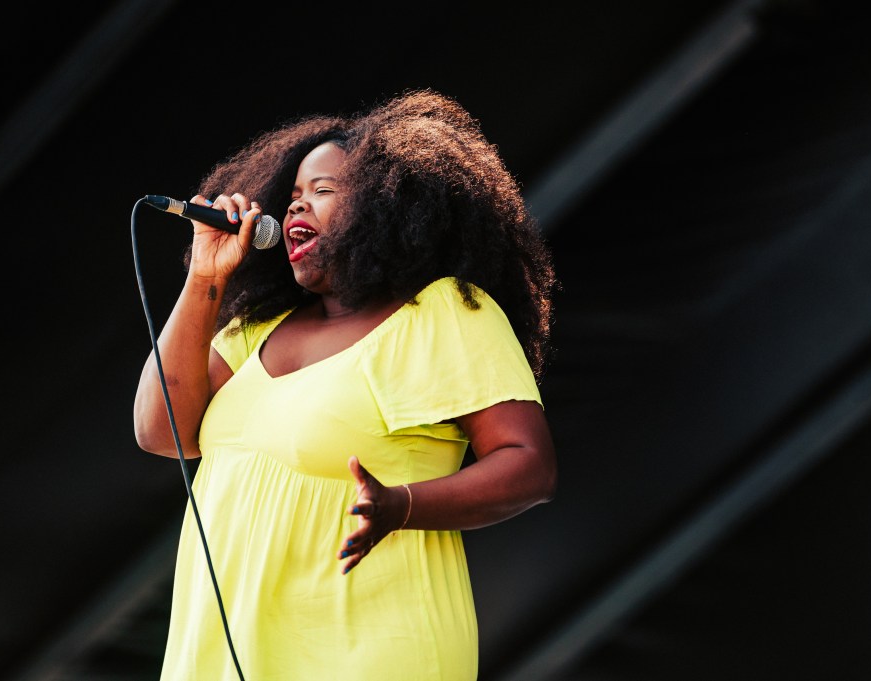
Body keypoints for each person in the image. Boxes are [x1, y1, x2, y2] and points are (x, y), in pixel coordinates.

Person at [133, 88, 558, 681]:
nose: (295, 209)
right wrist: (205, 275)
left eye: (323, 191)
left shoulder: (441, 314)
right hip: (226, 653)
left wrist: (401, 506)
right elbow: (161, 432)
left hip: (369, 649)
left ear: (389, 204)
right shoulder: (258, 329)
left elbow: (529, 465)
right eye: (293, 197)